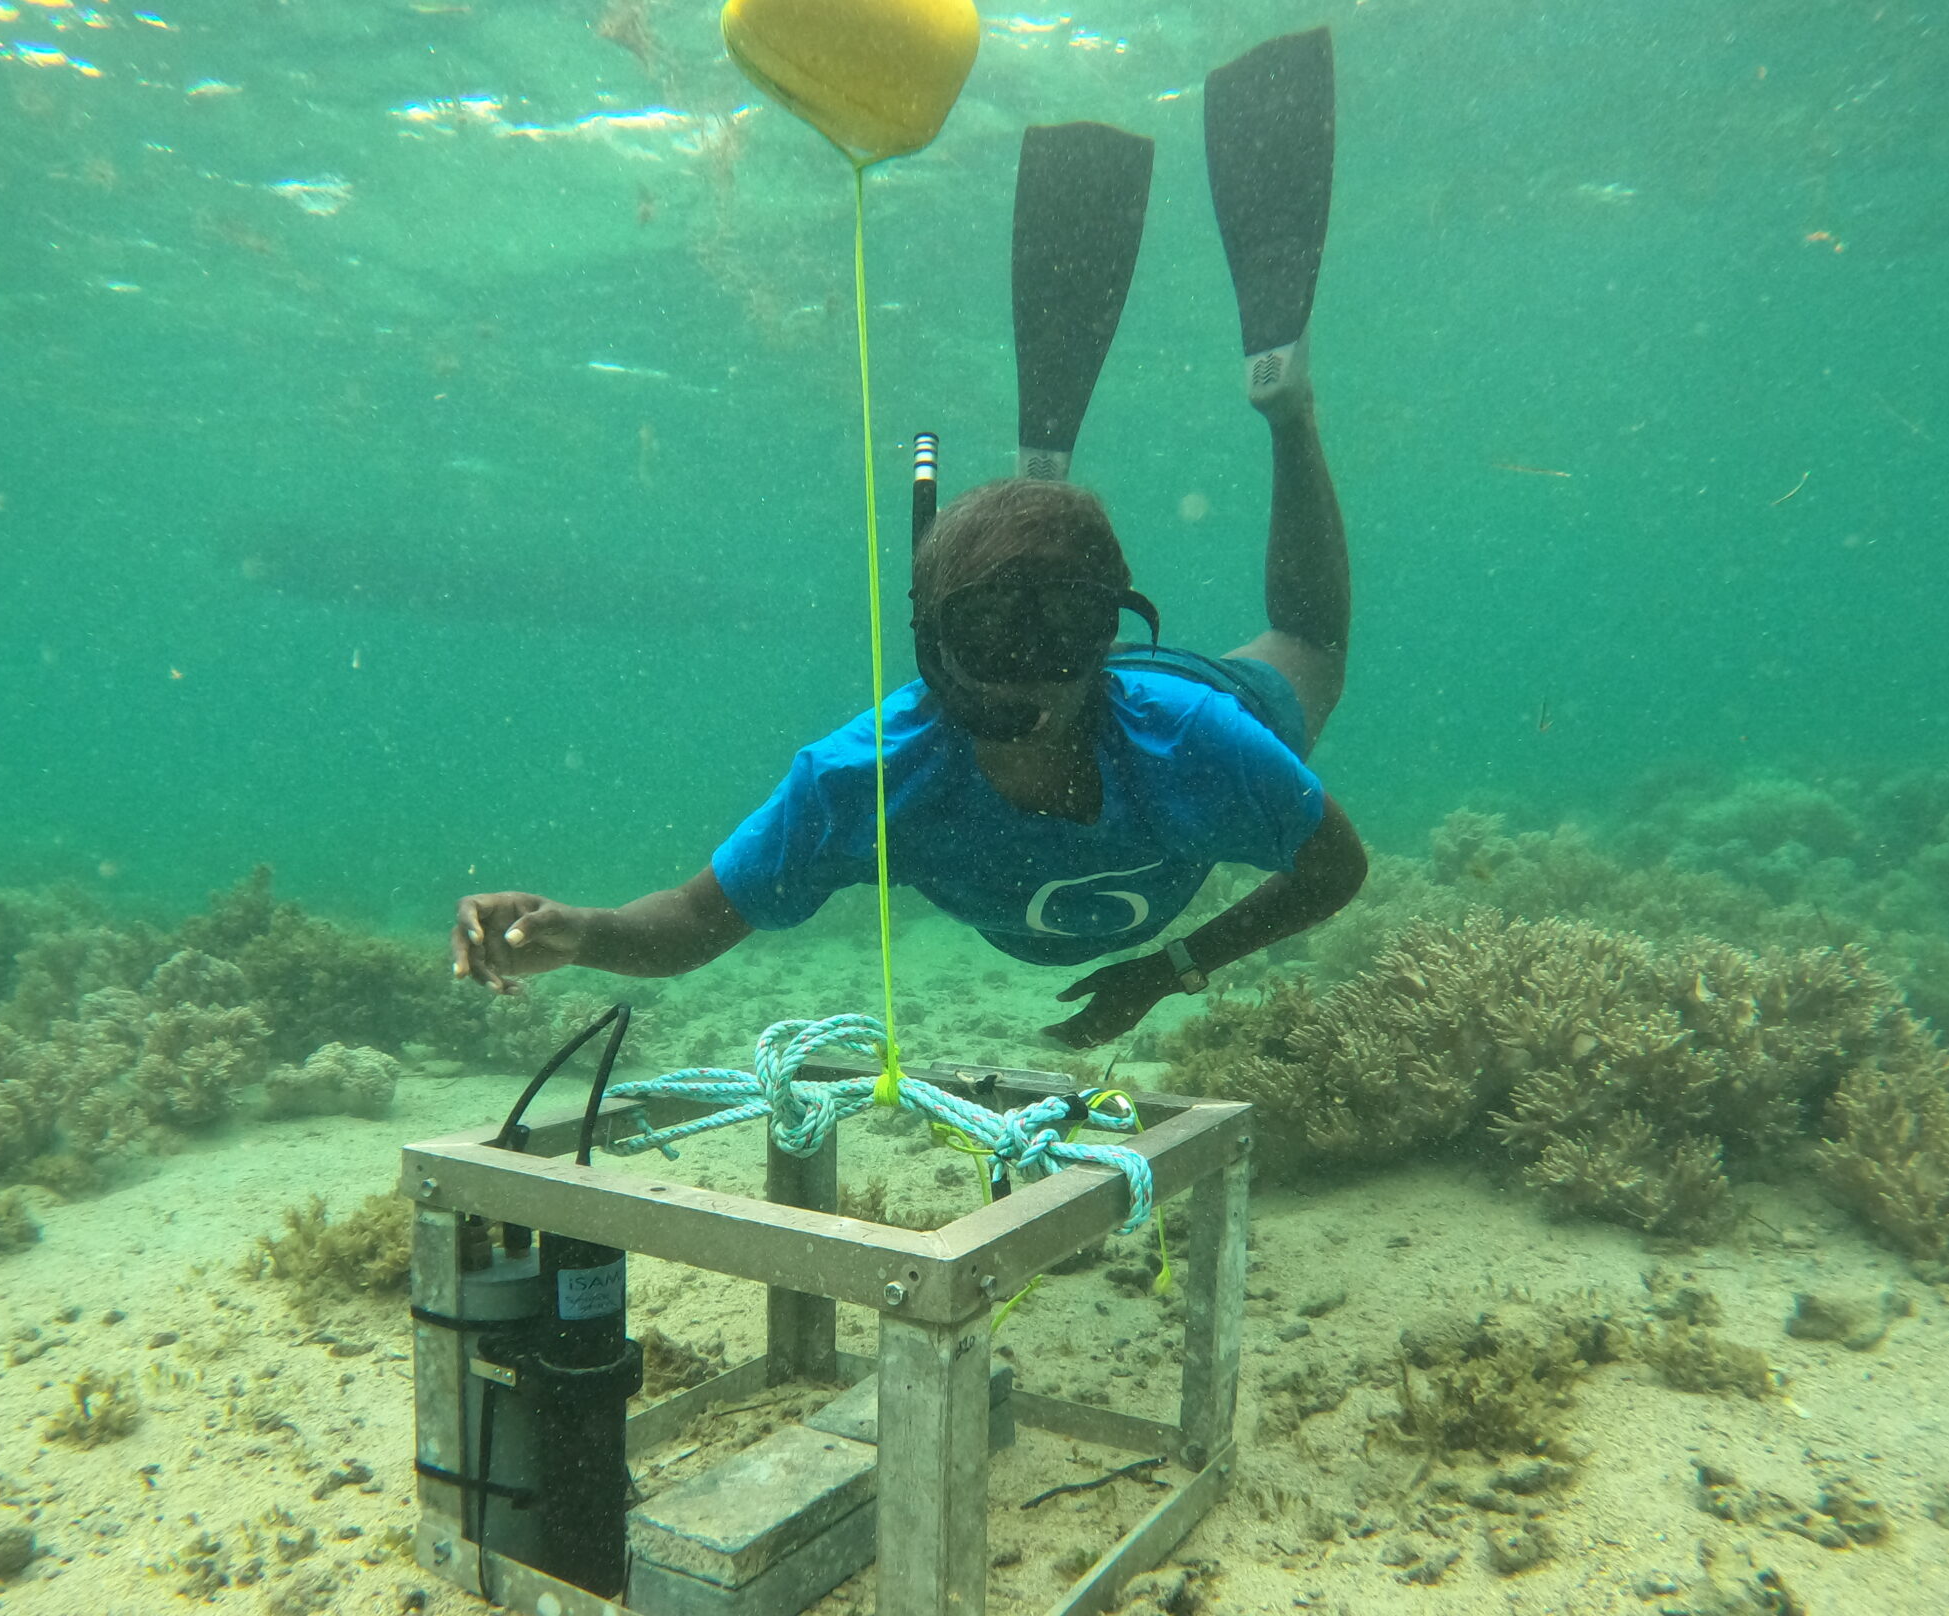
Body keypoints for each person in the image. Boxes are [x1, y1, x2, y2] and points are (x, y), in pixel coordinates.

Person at [453, 30, 1364, 1050]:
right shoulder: (866, 776)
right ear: (935, 643)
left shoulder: (1197, 737)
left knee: (1309, 645)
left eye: (1058, 628)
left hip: (1185, 697)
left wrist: (1169, 970)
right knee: (1307, 644)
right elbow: (694, 919)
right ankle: (1085, 472)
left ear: (1106, 633)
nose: (1027, 676)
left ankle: (1284, 410)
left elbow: (1336, 868)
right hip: (1150, 719)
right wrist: (580, 931)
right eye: (992, 633)